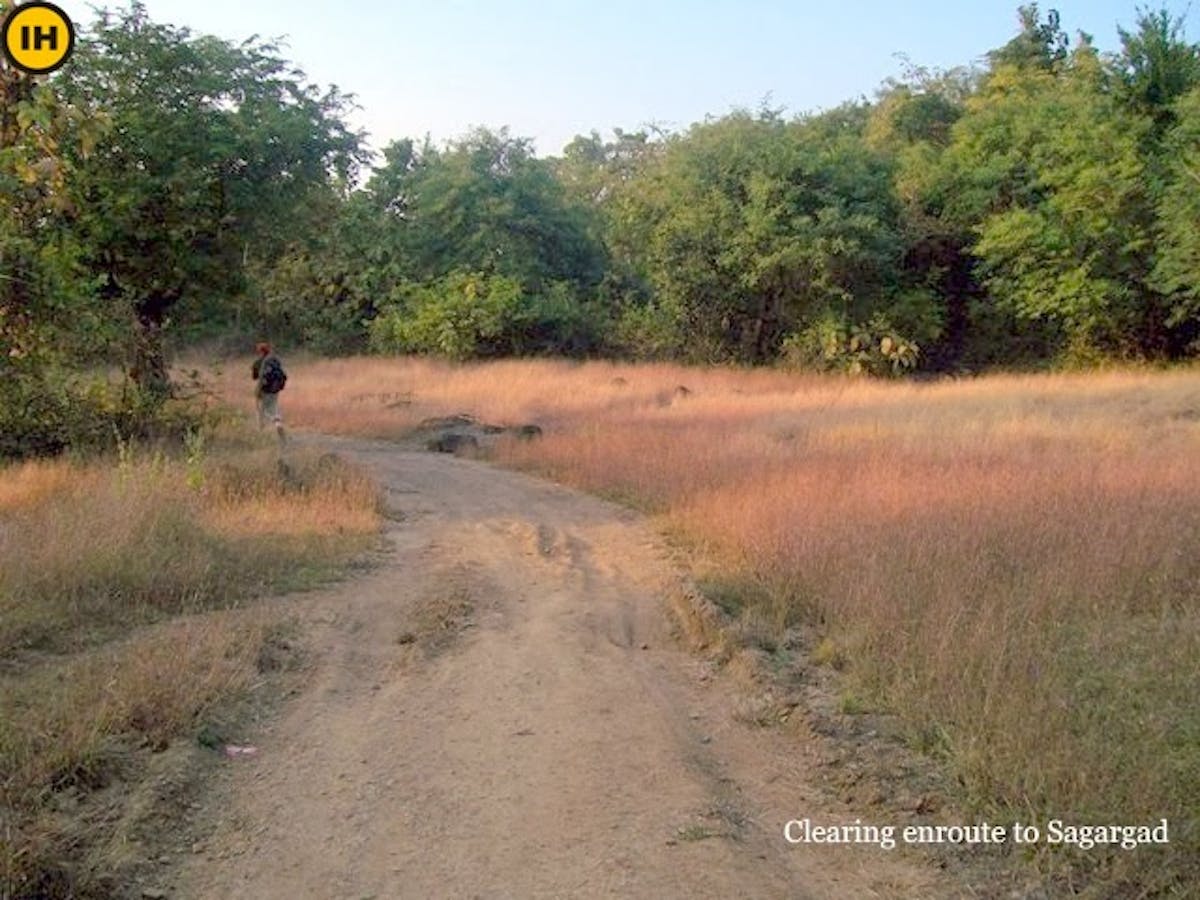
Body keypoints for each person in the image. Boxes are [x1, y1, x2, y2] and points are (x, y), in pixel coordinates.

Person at [251, 342, 287, 436]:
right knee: (273, 407)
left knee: (262, 409)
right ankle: (278, 422)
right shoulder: (275, 360)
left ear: (260, 351)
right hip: (275, 389)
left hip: (263, 389)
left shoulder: (257, 362)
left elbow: (254, 377)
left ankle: (265, 427)